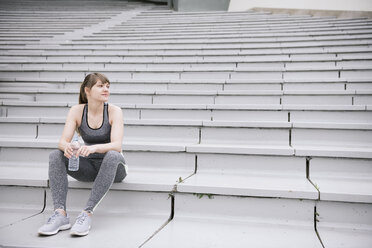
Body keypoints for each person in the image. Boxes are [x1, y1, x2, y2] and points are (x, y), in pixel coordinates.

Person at [38, 73, 127, 236]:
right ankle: (60, 214)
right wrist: (70, 147)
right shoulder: (77, 111)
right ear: (87, 90)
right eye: (100, 86)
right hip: (89, 167)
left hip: (115, 168)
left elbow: (117, 146)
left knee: (113, 155)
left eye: (107, 86)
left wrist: (93, 148)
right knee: (55, 155)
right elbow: (62, 142)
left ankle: (86, 213)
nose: (106, 89)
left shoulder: (114, 111)